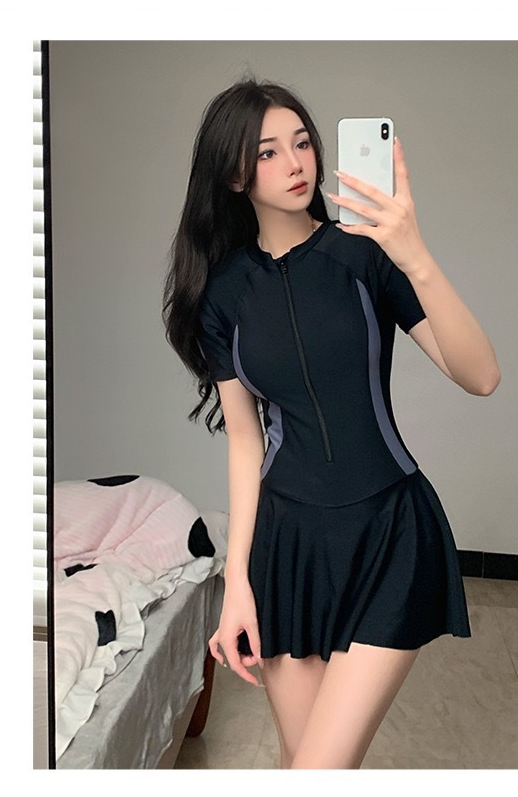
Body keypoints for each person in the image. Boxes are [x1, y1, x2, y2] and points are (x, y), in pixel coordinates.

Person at [163, 79, 500, 769]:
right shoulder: (223, 294)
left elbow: (481, 375)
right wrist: (237, 584)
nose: (295, 162)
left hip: (389, 533)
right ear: (234, 175)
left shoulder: (366, 254)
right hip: (288, 550)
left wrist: (414, 253)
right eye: (268, 152)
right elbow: (246, 442)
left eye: (302, 143)